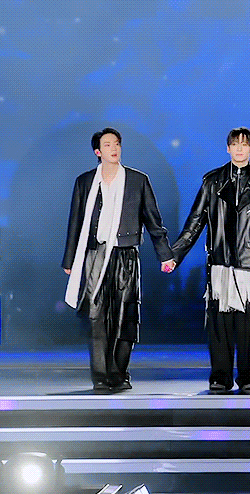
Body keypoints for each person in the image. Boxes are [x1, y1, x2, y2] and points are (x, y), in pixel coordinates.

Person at [170, 127, 250, 394]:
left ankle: (249, 378)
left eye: (244, 144)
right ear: (227, 148)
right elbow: (195, 221)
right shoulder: (212, 181)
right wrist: (175, 255)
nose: (239, 148)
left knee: (248, 325)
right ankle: (220, 377)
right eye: (235, 144)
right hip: (220, 261)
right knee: (219, 323)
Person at [63, 127, 176, 392]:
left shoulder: (137, 180)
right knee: (96, 316)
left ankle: (119, 373)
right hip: (94, 254)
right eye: (107, 144)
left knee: (126, 316)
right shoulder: (85, 182)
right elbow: (75, 222)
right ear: (97, 151)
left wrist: (165, 255)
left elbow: (153, 221)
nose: (114, 148)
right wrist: (70, 260)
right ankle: (100, 376)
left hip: (126, 254)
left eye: (117, 144)